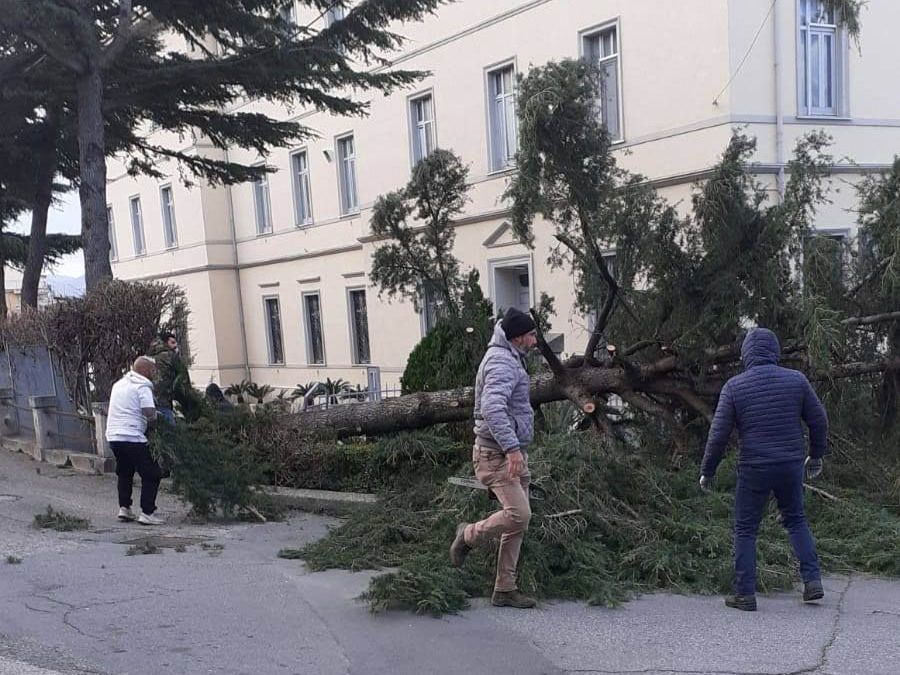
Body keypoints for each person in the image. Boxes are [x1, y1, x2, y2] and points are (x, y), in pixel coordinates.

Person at [700, 327, 828, 611]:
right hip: (790, 464)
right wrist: (816, 455)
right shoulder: (796, 380)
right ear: (775, 351)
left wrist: (708, 470)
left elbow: (718, 434)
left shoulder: (735, 386)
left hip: (754, 467)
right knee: (796, 519)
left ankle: (745, 594)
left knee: (746, 529)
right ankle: (813, 582)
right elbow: (819, 420)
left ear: (746, 354)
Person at [449, 307, 539, 609]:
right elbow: (492, 409)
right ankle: (467, 534)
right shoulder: (502, 362)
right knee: (519, 515)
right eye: (531, 335)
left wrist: (517, 450)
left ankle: (504, 589)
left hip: (511, 452)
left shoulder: (510, 357)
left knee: (518, 523)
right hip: (496, 454)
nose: (535, 341)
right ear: (517, 338)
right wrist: (513, 450)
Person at [106, 356, 165, 526]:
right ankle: (147, 512)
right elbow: (149, 412)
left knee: (125, 471)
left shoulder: (119, 384)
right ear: (145, 370)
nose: (155, 374)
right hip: (132, 436)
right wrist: (156, 421)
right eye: (153, 370)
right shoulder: (142, 386)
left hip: (114, 436)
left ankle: (124, 508)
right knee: (152, 473)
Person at [148, 332, 191, 424]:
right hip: (164, 402)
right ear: (165, 343)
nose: (175, 346)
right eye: (173, 342)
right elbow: (183, 376)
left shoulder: (149, 357)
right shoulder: (170, 356)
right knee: (171, 433)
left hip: (149, 402)